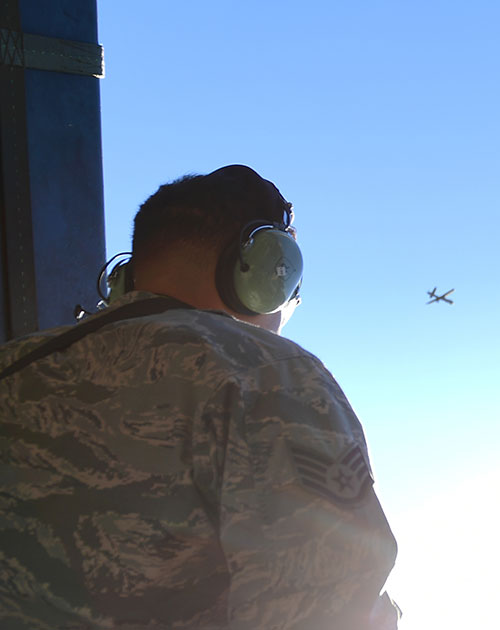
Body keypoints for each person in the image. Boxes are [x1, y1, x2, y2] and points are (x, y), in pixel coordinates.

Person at [0, 165, 400, 629]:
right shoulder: (266, 373)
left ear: (127, 278)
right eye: (289, 286)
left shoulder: (14, 364)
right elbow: (324, 609)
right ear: (266, 270)